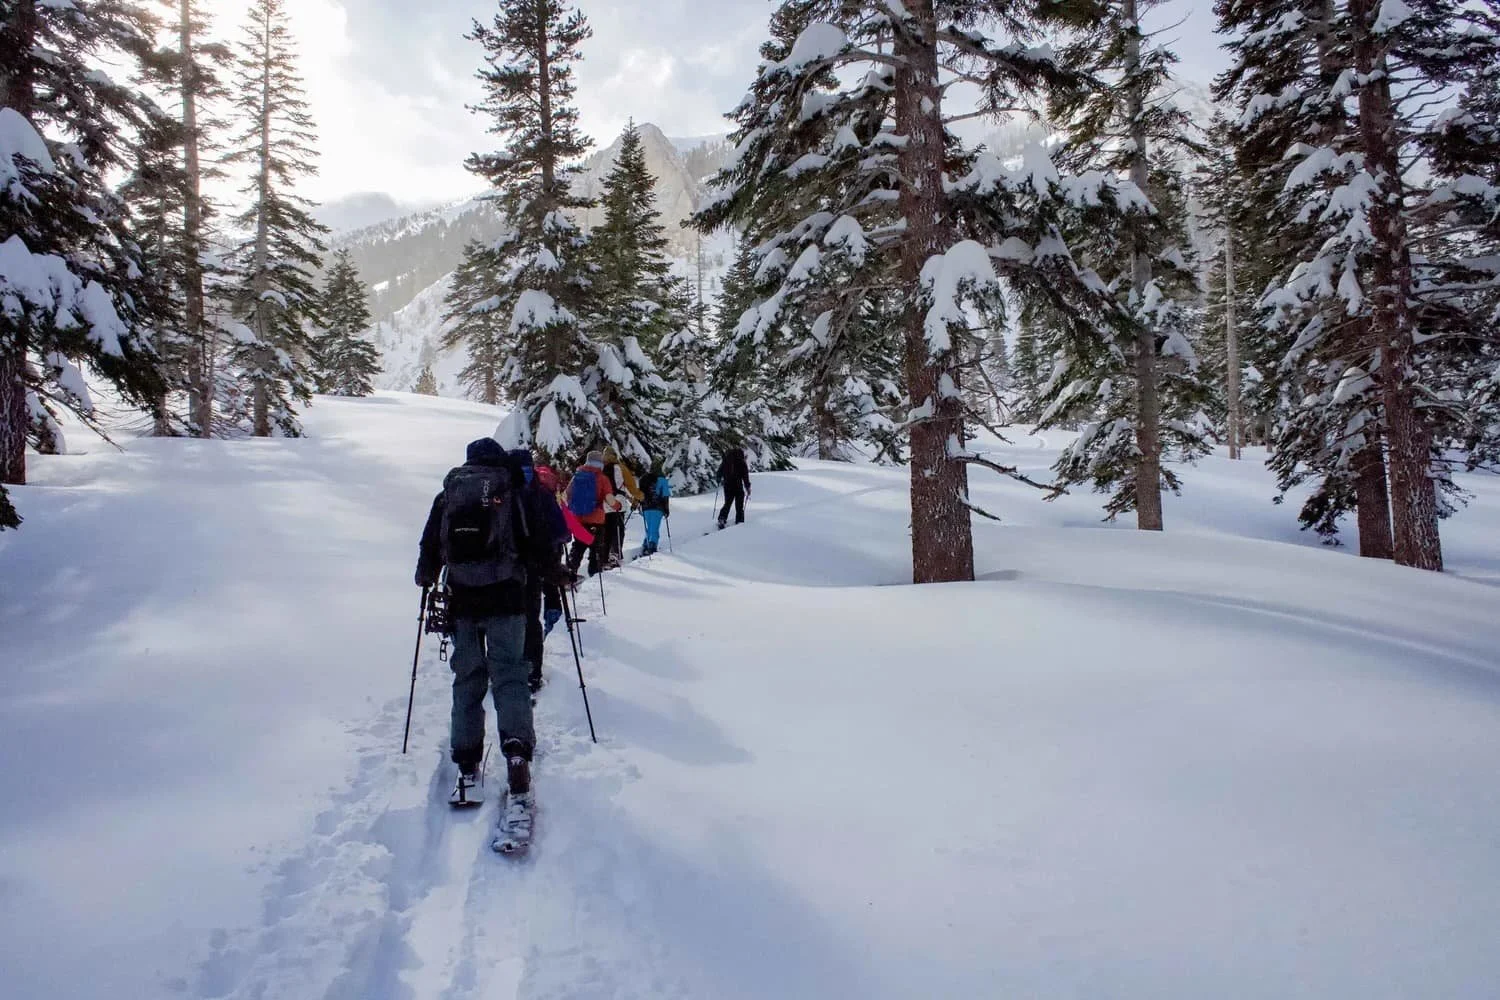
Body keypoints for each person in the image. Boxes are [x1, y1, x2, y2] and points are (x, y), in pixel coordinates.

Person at [416, 438, 558, 835]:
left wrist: (427, 576)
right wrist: (551, 576)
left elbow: (430, 545)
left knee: (468, 680)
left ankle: (466, 765)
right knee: (510, 675)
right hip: (508, 600)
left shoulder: (450, 493)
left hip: (463, 600)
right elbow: (537, 545)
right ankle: (516, 760)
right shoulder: (513, 491)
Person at [508, 448, 568, 693]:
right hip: (535, 567)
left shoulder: (501, 493)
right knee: (531, 619)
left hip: (504, 570)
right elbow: (562, 532)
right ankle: (532, 673)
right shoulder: (541, 493)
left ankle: (505, 672)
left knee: (506, 620)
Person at [565, 450, 615, 577]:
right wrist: (617, 505)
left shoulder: (577, 476)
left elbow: (567, 495)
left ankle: (570, 574)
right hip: (596, 520)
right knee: (596, 548)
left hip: (579, 519)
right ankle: (595, 574)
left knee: (578, 547)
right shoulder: (602, 478)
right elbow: (610, 499)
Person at [601, 446, 643, 566]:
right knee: (618, 530)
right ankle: (615, 554)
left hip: (604, 505)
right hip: (618, 504)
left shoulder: (600, 469)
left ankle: (604, 557)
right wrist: (639, 497)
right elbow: (631, 487)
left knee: (606, 531)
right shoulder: (621, 468)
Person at [638, 460, 672, 557]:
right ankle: (652, 546)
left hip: (645, 508)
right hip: (657, 507)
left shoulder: (644, 478)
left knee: (650, 527)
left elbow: (640, 493)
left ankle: (646, 544)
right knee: (654, 528)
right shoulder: (662, 480)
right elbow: (665, 496)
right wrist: (666, 510)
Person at [717, 446, 752, 529]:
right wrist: (748, 488)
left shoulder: (726, 460)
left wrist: (719, 479)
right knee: (739, 505)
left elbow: (719, 471)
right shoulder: (742, 462)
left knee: (727, 503)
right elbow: (745, 477)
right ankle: (739, 521)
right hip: (738, 486)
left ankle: (722, 518)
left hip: (727, 485)